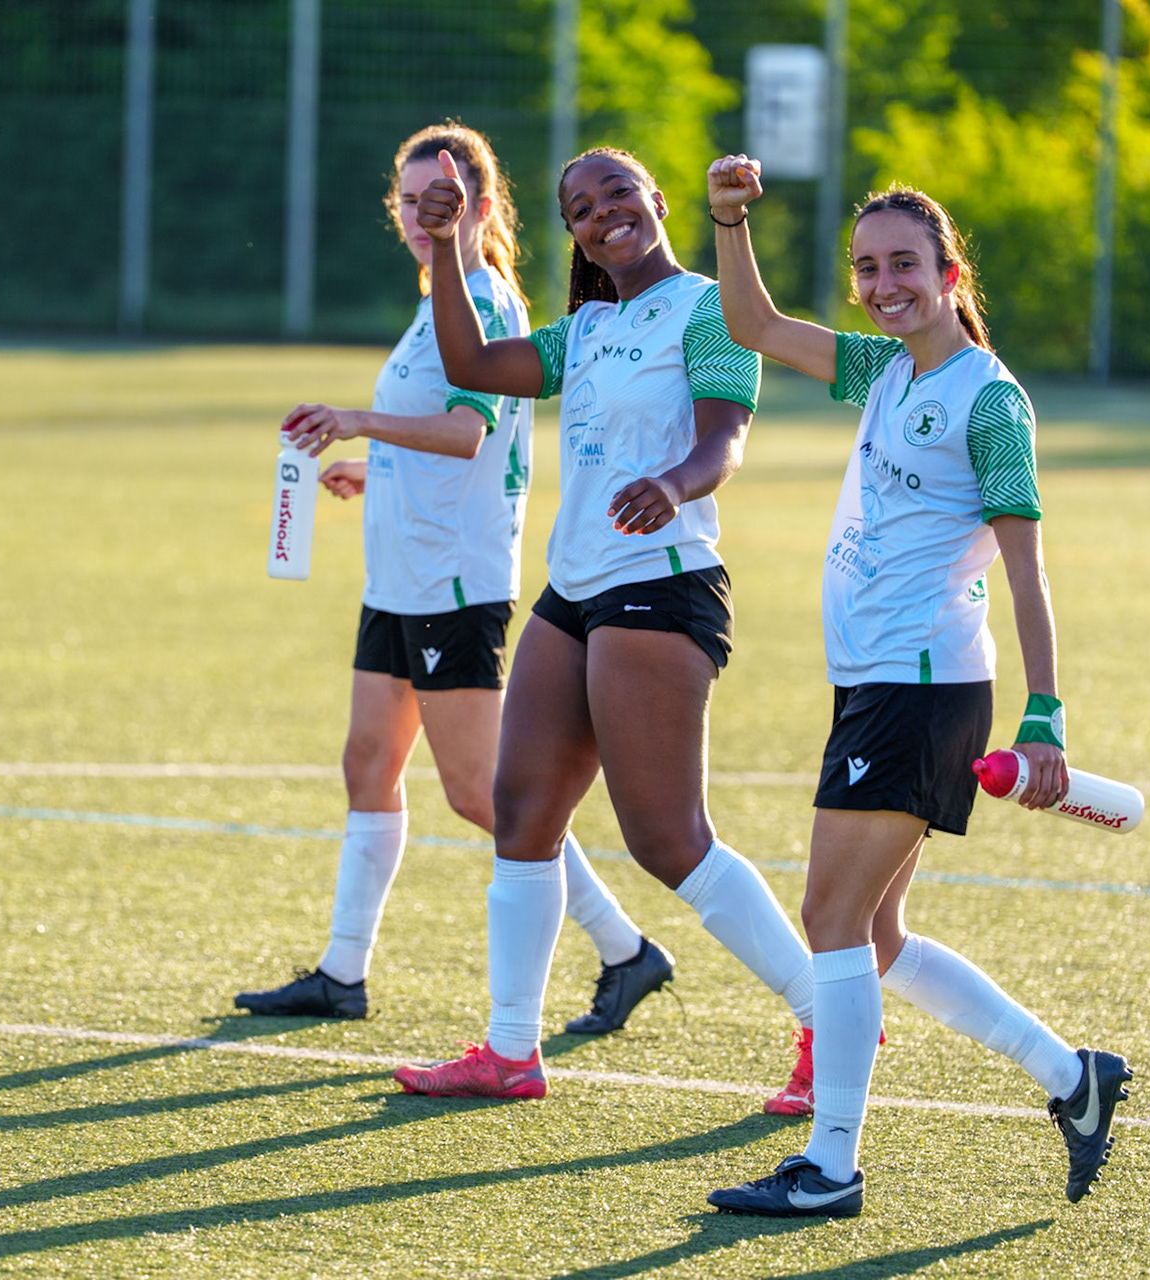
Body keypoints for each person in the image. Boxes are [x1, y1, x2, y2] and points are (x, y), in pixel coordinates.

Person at [701, 157, 1131, 1218]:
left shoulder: (987, 399)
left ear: (949, 269)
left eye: (905, 264)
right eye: (867, 268)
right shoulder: (882, 369)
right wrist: (729, 218)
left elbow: (1029, 568)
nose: (885, 282)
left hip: (925, 688)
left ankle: (832, 1163)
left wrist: (1045, 715)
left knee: (829, 915)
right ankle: (1073, 1077)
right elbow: (753, 326)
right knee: (875, 936)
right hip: (877, 686)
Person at [388, 145, 818, 1101]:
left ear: (656, 200)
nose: (602, 213)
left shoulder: (709, 305)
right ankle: (510, 1053)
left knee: (667, 841)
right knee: (522, 814)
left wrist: (673, 483)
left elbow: (726, 437)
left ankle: (830, 1023)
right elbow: (468, 361)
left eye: (617, 191)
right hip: (573, 590)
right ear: (574, 232)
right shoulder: (583, 329)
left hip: (662, 586)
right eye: (580, 207)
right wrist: (453, 239)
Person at [234, 123, 675, 1036]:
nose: (418, 212)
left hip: (455, 580)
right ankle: (341, 974)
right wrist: (373, 468)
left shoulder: (486, 302)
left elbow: (469, 433)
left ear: (479, 205)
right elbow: (438, 437)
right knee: (367, 765)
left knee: (484, 794)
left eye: (438, 196)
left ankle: (627, 949)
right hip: (400, 573)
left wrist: (355, 422)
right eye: (405, 197)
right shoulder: (436, 297)